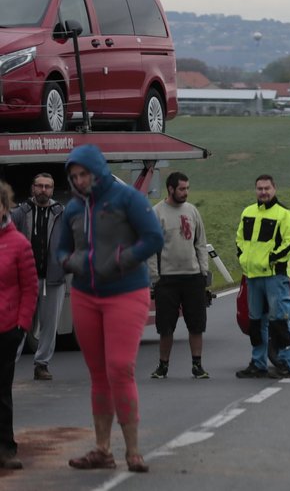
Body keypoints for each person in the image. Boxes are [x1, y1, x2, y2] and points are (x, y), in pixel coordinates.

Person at [57, 144, 163, 473]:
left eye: (83, 174)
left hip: (126, 292)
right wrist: (73, 261)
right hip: (86, 295)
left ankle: (133, 451)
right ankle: (102, 449)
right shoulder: (73, 209)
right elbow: (61, 249)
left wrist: (122, 259)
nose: (79, 181)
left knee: (119, 368)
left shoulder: (127, 198)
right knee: (98, 374)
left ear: (98, 170)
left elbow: (153, 237)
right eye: (74, 176)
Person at [148, 172, 211, 380]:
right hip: (167, 280)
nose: (186, 192)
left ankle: (197, 365)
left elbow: (200, 243)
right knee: (165, 326)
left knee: (196, 324)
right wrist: (155, 277)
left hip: (192, 277)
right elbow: (151, 249)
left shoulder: (192, 211)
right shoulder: (157, 212)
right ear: (170, 189)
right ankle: (163, 366)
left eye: (187, 188)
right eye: (182, 189)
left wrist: (203, 271)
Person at [235, 175, 290, 380]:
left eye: (267, 188)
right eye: (260, 188)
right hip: (252, 275)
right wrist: (244, 258)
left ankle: (285, 364)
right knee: (255, 322)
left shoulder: (285, 214)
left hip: (274, 276)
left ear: (274, 189)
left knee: (280, 320)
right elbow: (240, 239)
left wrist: (270, 259)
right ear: (255, 190)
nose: (263, 192)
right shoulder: (248, 212)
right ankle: (258, 363)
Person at [11, 173, 65, 381]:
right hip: (24, 280)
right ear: (33, 188)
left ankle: (41, 364)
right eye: (40, 186)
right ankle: (8, 364)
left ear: (52, 190)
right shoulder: (19, 213)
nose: (43, 190)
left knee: (49, 324)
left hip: (53, 278)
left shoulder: (61, 213)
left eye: (48, 187)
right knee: (18, 324)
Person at [0, 180, 38, 471]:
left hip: (6, 328)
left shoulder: (18, 243)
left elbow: (29, 288)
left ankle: (6, 448)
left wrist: (22, 326)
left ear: (4, 207)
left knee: (2, 391)